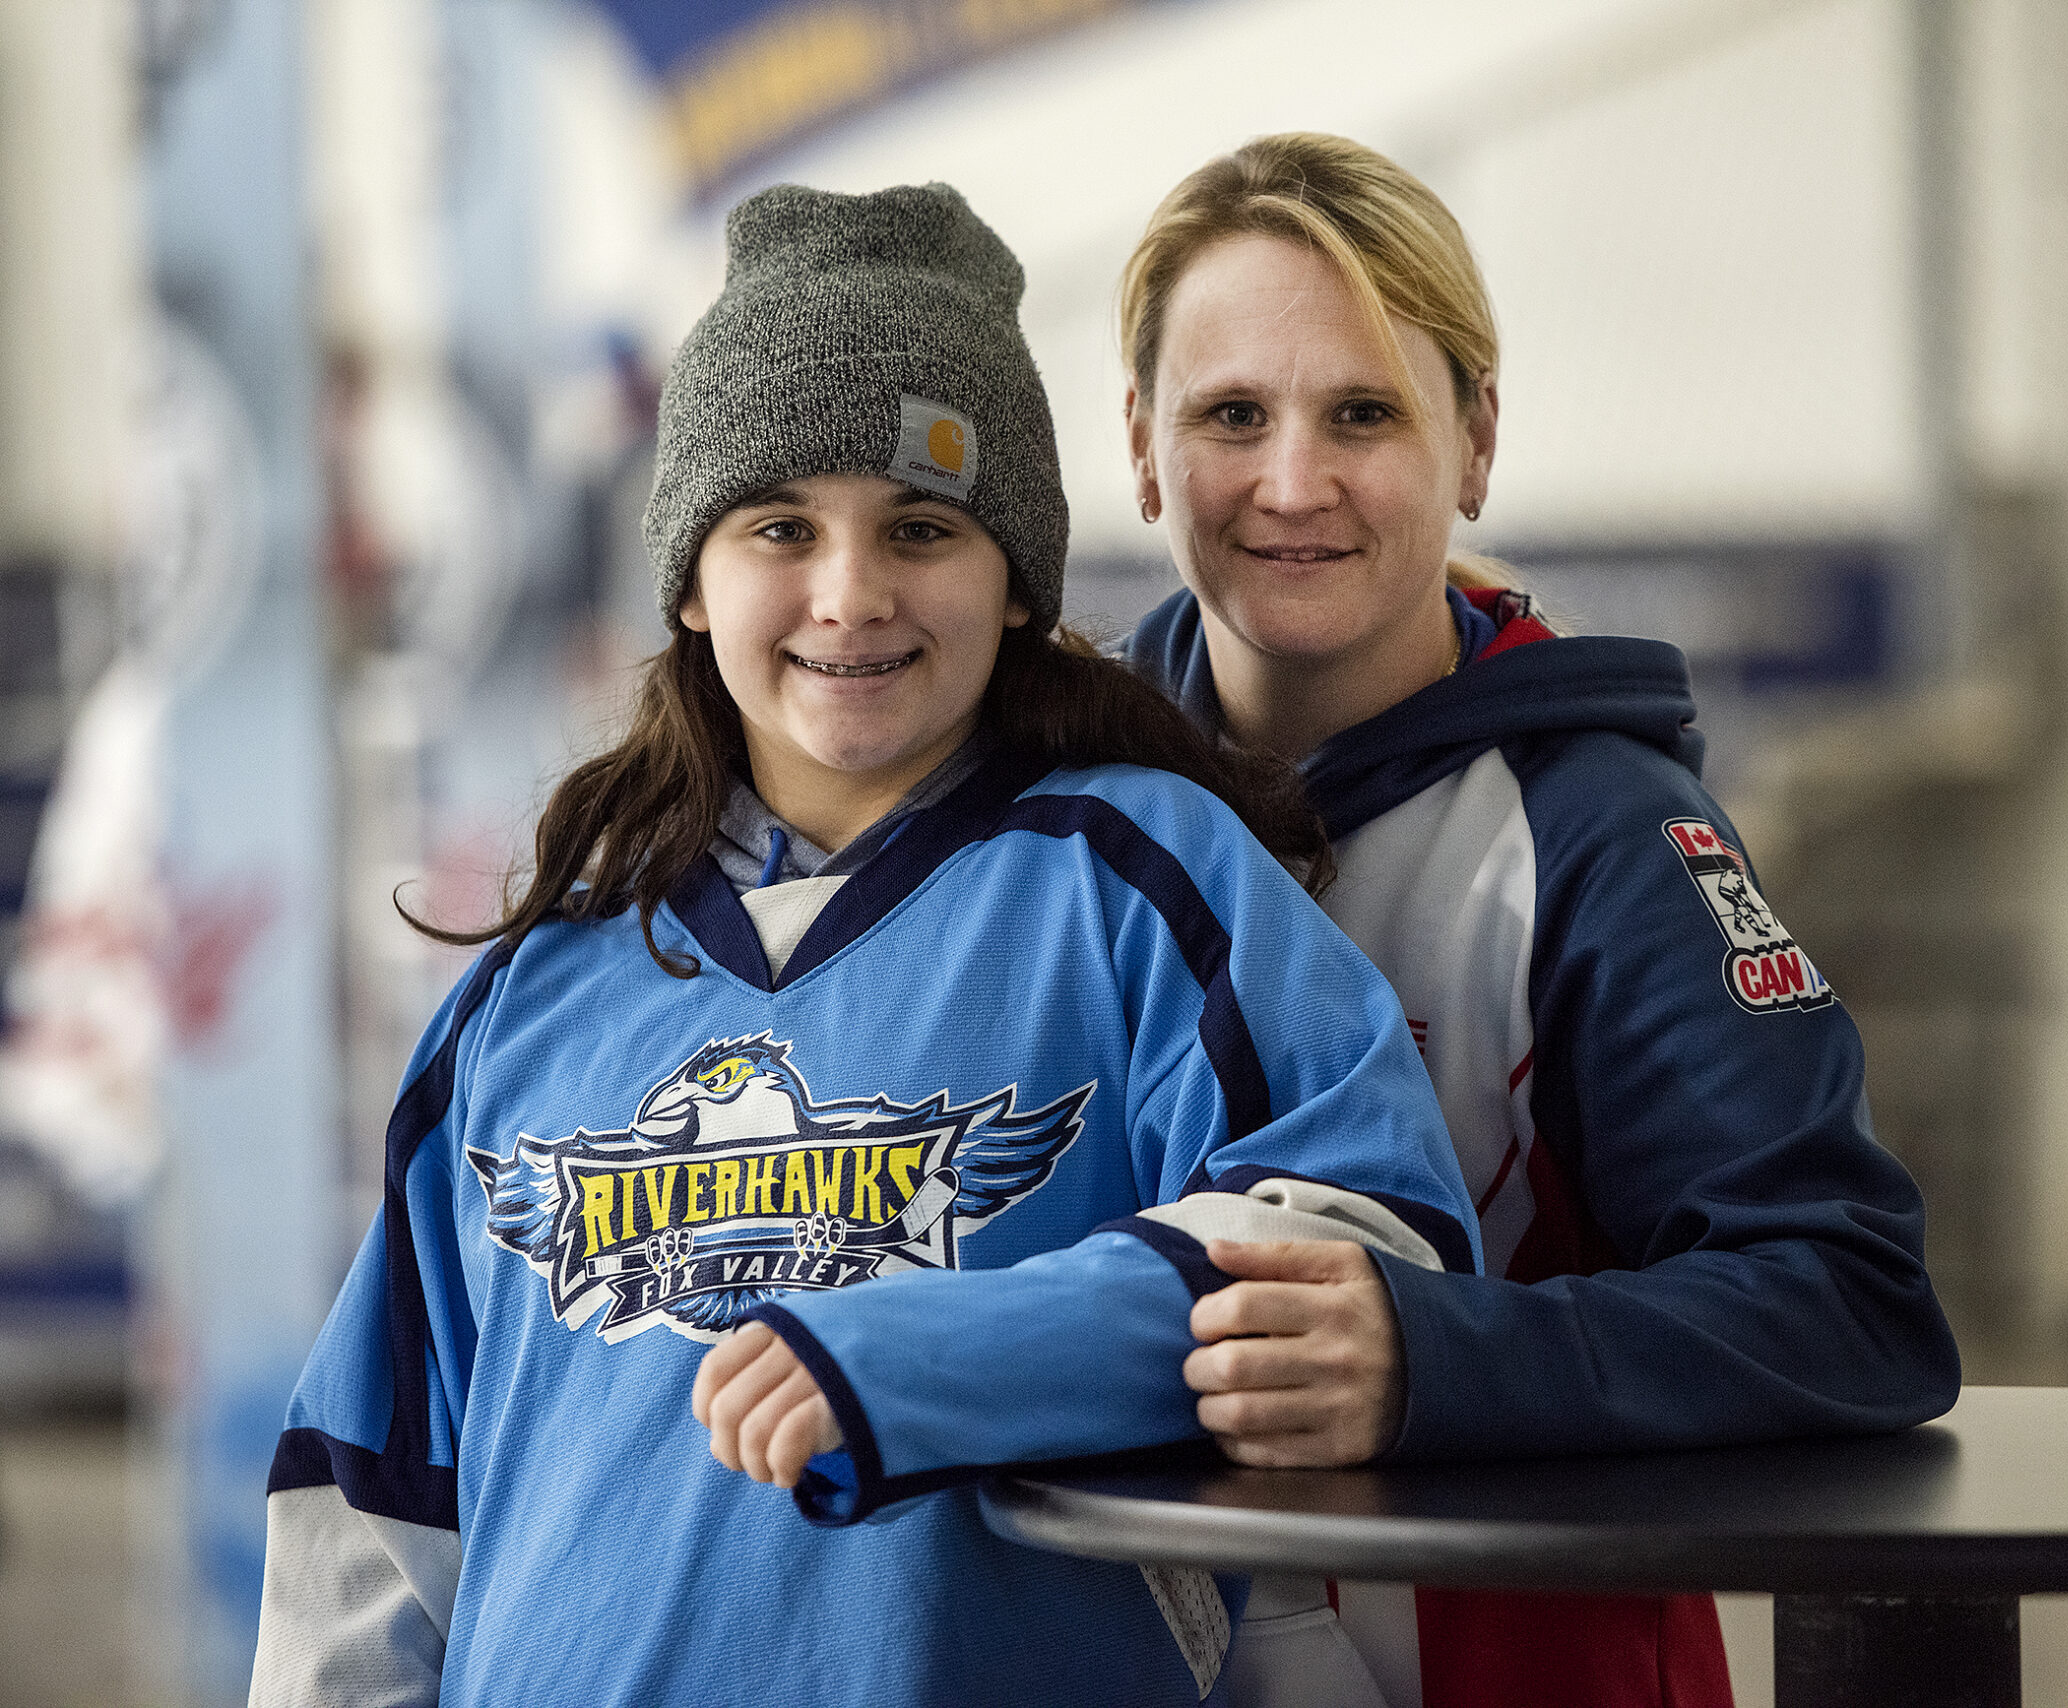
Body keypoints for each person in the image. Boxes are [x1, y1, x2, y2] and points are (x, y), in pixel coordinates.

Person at [247, 181, 1480, 1708]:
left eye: (921, 526)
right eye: (780, 526)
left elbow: (1369, 1245)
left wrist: (927, 1359)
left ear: (1015, 580)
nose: (852, 594)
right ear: (693, 581)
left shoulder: (1137, 880)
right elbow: (369, 1520)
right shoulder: (530, 990)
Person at [1116, 134, 1964, 1708]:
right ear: (1145, 449)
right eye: (1233, 414)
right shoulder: (1049, 813)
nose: (1292, 481)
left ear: (1475, 440)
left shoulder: (1600, 831)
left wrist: (1433, 1361)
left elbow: (1854, 1305)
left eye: (1362, 412)